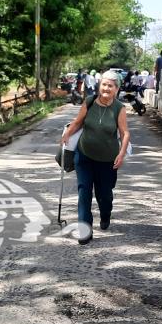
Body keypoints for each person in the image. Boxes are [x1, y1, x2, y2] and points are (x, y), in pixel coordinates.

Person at [61, 70, 130, 245]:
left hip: (108, 160)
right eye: (104, 84)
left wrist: (121, 154)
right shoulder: (89, 101)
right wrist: (67, 135)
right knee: (84, 192)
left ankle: (105, 215)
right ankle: (85, 231)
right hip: (84, 155)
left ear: (116, 89)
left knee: (104, 195)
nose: (106, 88)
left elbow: (124, 133)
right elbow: (78, 122)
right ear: (100, 85)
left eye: (110, 86)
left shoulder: (119, 108)